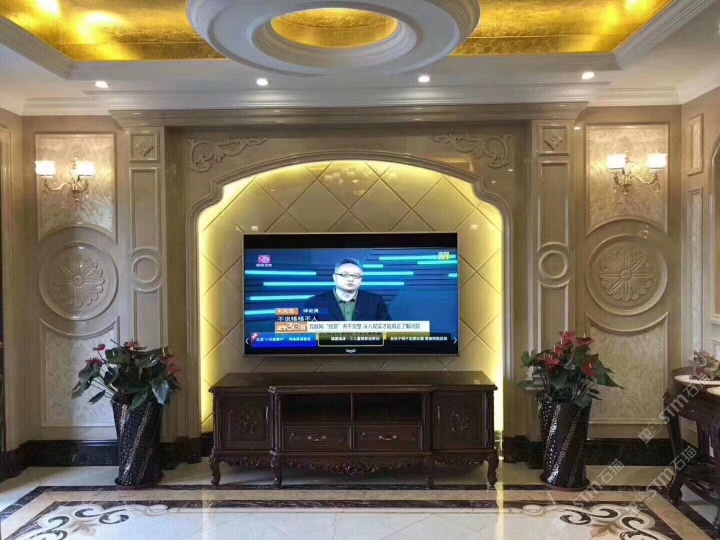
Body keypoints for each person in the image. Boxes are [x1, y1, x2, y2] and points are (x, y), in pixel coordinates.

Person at [304, 258, 391, 321]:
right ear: (334, 278)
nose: (350, 279)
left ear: (361, 279)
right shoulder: (314, 303)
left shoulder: (375, 301)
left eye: (356, 276)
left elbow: (388, 333)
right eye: (345, 275)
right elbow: (307, 335)